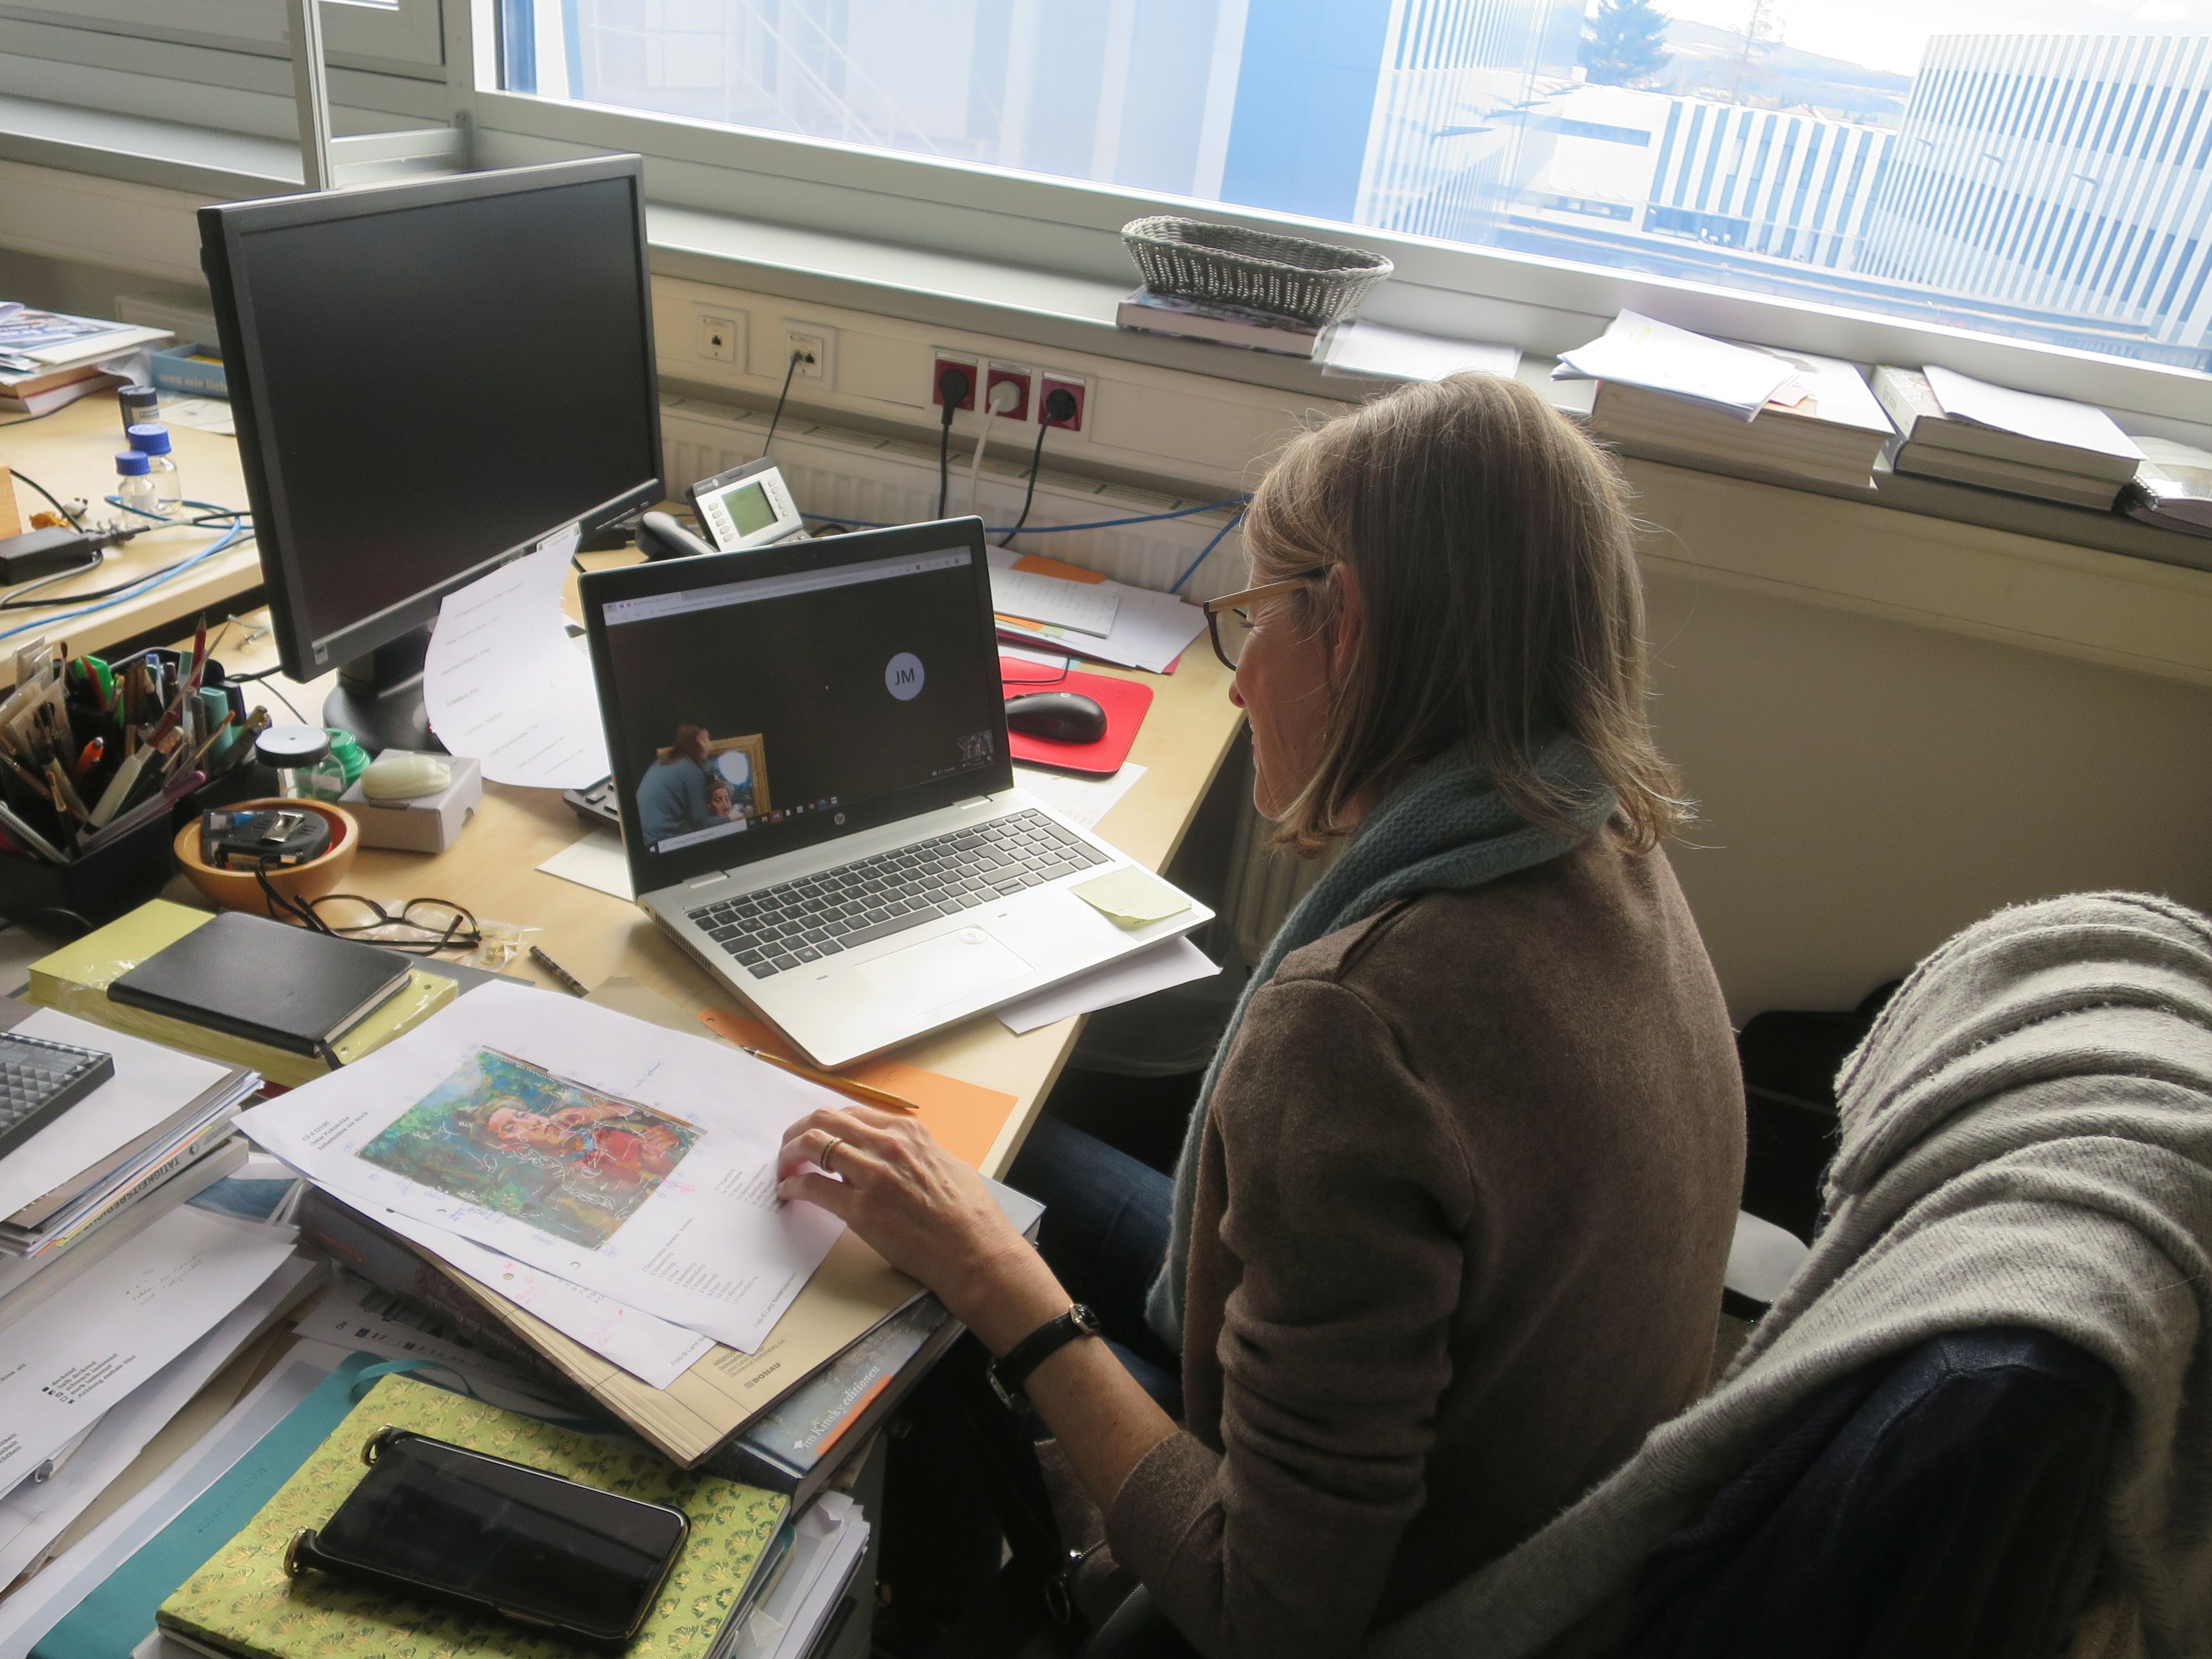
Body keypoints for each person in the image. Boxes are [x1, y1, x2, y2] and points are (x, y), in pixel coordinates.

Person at [776, 373, 1747, 1658]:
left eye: (1249, 621)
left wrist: (995, 1280)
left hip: (1358, 1600)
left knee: (946, 1251)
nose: (1236, 690)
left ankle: (944, 1606)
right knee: (994, 1152)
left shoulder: (1355, 1024)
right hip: (1550, 1510)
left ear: (1344, 628)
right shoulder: (1600, 831)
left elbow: (1266, 1612)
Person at [634, 724, 714, 844]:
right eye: (706, 739)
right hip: (665, 841)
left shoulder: (664, 761)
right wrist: (732, 818)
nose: (710, 746)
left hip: (643, 837)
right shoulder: (688, 769)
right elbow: (702, 824)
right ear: (697, 742)